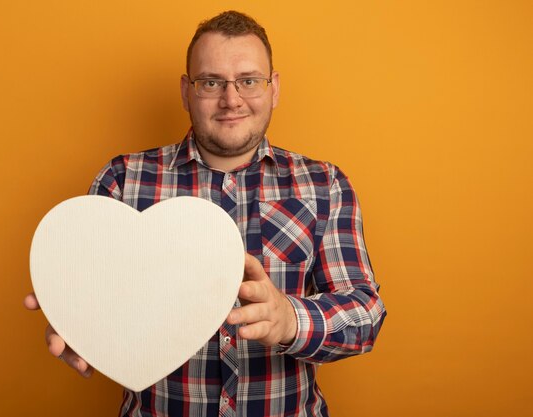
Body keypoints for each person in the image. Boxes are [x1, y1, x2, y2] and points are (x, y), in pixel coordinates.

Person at [25, 10, 386, 417]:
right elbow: (90, 295)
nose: (231, 99)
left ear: (275, 88)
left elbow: (365, 314)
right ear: (185, 91)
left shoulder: (324, 184)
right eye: (211, 82)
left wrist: (290, 320)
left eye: (249, 80)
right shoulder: (123, 180)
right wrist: (74, 317)